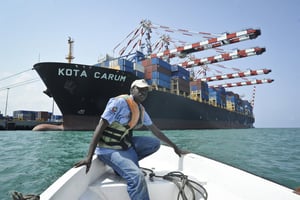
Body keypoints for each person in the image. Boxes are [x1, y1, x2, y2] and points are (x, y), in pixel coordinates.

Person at [74, 79, 186, 200]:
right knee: (137, 177)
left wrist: (175, 147)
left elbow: (155, 131)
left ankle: (121, 168)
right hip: (108, 149)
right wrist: (89, 157)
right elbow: (99, 128)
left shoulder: (141, 109)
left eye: (145, 91)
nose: (143, 93)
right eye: (140, 89)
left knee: (154, 143)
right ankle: (125, 168)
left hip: (124, 146)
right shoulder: (120, 102)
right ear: (132, 90)